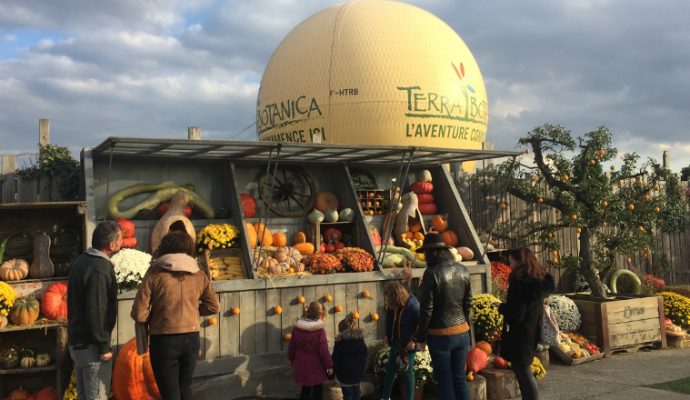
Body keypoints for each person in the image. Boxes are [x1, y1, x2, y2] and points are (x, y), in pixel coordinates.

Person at [131, 231, 220, 400]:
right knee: (185, 387)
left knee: (169, 393)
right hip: (191, 339)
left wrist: (158, 316)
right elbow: (214, 307)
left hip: (164, 340)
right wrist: (193, 311)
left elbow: (139, 313)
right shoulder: (199, 274)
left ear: (165, 248)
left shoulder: (155, 273)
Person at [412, 232, 472, 400]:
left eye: (425, 253)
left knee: (445, 381)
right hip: (462, 332)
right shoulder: (463, 269)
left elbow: (426, 309)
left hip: (440, 335)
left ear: (431, 253)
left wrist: (421, 335)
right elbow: (468, 303)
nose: (425, 257)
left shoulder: (431, 273)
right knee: (460, 378)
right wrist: (465, 326)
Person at [67, 221, 122, 400]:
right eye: (120, 238)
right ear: (112, 245)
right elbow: (96, 310)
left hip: (77, 343)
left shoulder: (81, 261)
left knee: (83, 396)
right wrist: (103, 345)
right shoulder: (100, 268)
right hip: (92, 346)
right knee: (96, 396)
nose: (122, 241)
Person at [498, 248, 555, 400]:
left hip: (520, 336)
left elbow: (516, 315)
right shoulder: (536, 282)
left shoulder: (519, 285)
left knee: (524, 374)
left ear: (519, 262)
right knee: (523, 372)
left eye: (511, 262)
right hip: (530, 333)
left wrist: (501, 307)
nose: (510, 265)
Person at [287, 301, 334, 400]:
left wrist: (291, 358)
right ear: (321, 315)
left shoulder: (297, 328)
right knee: (317, 389)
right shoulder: (319, 331)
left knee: (305, 388)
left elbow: (292, 346)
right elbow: (324, 352)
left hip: (301, 362)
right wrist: (329, 365)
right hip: (316, 364)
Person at [381, 281, 419, 400]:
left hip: (408, 345)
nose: (387, 302)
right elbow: (389, 319)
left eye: (388, 298)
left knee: (407, 374)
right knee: (390, 371)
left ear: (396, 297)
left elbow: (422, 325)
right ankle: (385, 397)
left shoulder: (414, 306)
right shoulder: (395, 305)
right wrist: (387, 334)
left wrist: (414, 340)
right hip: (396, 342)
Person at [332, 317, 368, 400]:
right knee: (356, 394)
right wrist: (362, 371)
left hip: (345, 376)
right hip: (358, 375)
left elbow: (336, 360)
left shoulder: (339, 343)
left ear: (340, 330)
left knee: (347, 395)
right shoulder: (361, 342)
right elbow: (365, 357)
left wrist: (334, 372)